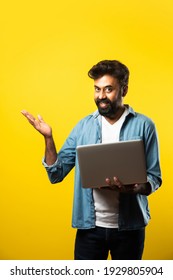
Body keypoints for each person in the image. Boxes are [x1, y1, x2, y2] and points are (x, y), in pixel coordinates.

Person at [21, 60, 162, 260]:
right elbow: (56, 173)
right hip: (90, 230)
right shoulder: (83, 126)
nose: (101, 96)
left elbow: (154, 177)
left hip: (130, 229)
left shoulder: (144, 126)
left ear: (124, 90)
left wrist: (136, 188)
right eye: (97, 89)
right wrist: (48, 138)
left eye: (108, 89)